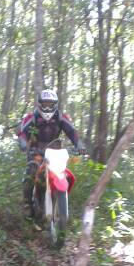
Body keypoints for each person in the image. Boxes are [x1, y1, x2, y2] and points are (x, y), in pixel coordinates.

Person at [17, 88, 86, 218]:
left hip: (55, 153)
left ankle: (59, 199)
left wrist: (79, 144)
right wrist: (23, 143)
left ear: (55, 105)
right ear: (40, 104)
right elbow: (22, 133)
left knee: (63, 173)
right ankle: (27, 204)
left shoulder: (61, 117)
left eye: (50, 104)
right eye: (45, 104)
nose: (47, 107)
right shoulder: (32, 117)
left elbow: (72, 132)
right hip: (36, 153)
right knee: (31, 171)